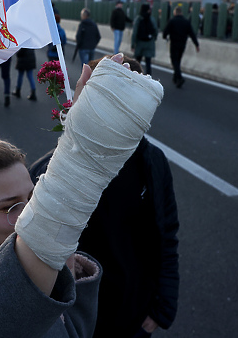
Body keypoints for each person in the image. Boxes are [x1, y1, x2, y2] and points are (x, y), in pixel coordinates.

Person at [0, 53, 164, 338]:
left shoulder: (47, 256)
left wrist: (83, 136)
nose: (28, 213)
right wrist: (81, 165)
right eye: (10, 206)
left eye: (32, 197)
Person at [28, 55, 179, 338]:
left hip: (132, 315)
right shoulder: (52, 174)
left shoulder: (152, 163)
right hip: (76, 320)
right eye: (111, 96)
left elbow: (166, 234)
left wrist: (162, 309)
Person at [162, 6, 199, 88]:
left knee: (174, 60)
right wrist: (196, 44)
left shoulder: (172, 21)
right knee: (178, 60)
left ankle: (179, 77)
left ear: (175, 13)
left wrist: (165, 37)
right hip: (182, 44)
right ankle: (175, 78)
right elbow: (192, 34)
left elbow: (165, 32)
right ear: (181, 12)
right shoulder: (186, 22)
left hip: (174, 43)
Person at [131, 3, 157, 76]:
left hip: (140, 43)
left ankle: (135, 77)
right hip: (149, 43)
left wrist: (133, 45)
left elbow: (134, 33)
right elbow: (155, 31)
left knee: (137, 62)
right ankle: (148, 78)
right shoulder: (151, 19)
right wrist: (153, 39)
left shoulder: (138, 19)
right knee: (148, 62)